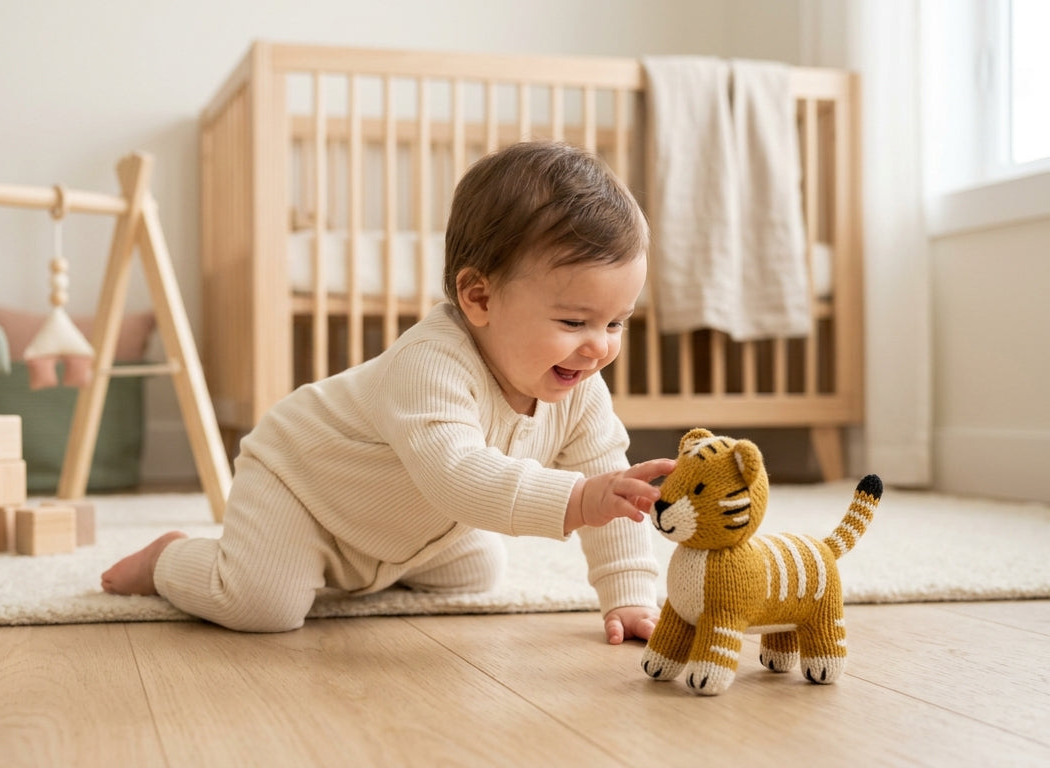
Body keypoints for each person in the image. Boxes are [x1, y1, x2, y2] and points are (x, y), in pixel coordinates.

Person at [103, 140, 676, 644]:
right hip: (302, 488)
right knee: (262, 606)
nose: (598, 347)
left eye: (616, 323)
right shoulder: (431, 361)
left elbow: (618, 500)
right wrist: (577, 500)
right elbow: (457, 475)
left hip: (402, 522)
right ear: (478, 297)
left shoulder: (581, 392)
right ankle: (169, 558)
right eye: (575, 323)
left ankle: (365, 568)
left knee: (478, 572)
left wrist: (628, 596)